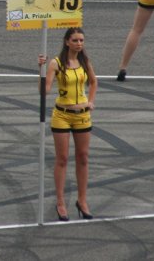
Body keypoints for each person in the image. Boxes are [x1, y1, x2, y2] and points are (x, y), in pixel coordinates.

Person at [38, 27, 97, 222]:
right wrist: (41, 71)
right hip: (62, 115)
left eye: (81, 40)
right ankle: (60, 201)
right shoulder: (56, 63)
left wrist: (90, 101)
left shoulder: (85, 61)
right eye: (75, 40)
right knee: (62, 158)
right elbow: (44, 91)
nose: (79, 44)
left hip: (82, 116)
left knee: (83, 157)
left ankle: (82, 200)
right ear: (67, 42)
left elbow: (94, 82)